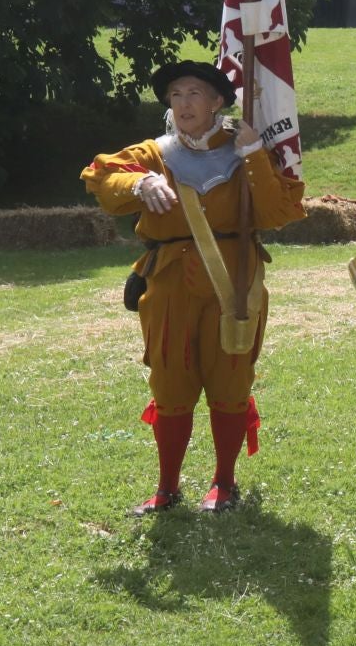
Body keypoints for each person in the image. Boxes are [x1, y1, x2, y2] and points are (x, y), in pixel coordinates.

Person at [83, 61, 306, 515]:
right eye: (177, 94)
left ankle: (224, 482)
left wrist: (254, 157)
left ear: (217, 102)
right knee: (170, 382)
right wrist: (140, 181)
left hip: (235, 280)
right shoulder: (153, 153)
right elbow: (101, 178)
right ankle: (166, 488)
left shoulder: (244, 150)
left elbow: (278, 212)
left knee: (230, 379)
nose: (184, 103)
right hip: (169, 283)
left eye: (195, 94)